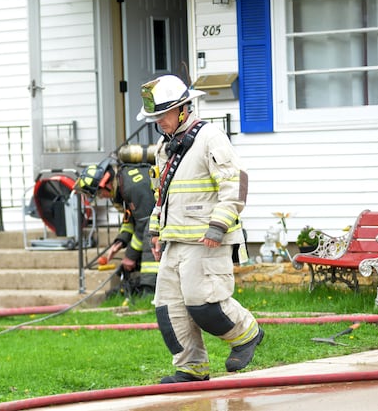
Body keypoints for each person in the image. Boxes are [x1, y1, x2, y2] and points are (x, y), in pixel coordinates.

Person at [138, 74, 263, 384]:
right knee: (169, 309)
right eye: (155, 118)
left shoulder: (210, 137)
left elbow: (233, 184)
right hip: (175, 240)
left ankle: (247, 334)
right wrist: (156, 233)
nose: (159, 123)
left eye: (162, 115)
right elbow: (162, 194)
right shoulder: (164, 146)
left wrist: (218, 227)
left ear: (183, 109)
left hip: (206, 239)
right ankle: (191, 368)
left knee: (204, 304)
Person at [75, 156, 158, 295]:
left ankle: (150, 290)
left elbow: (145, 223)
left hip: (162, 220)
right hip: (151, 219)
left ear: (106, 184)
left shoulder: (133, 187)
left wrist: (130, 256)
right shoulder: (122, 185)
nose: (101, 197)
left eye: (99, 193)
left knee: (149, 239)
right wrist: (120, 242)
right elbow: (130, 219)